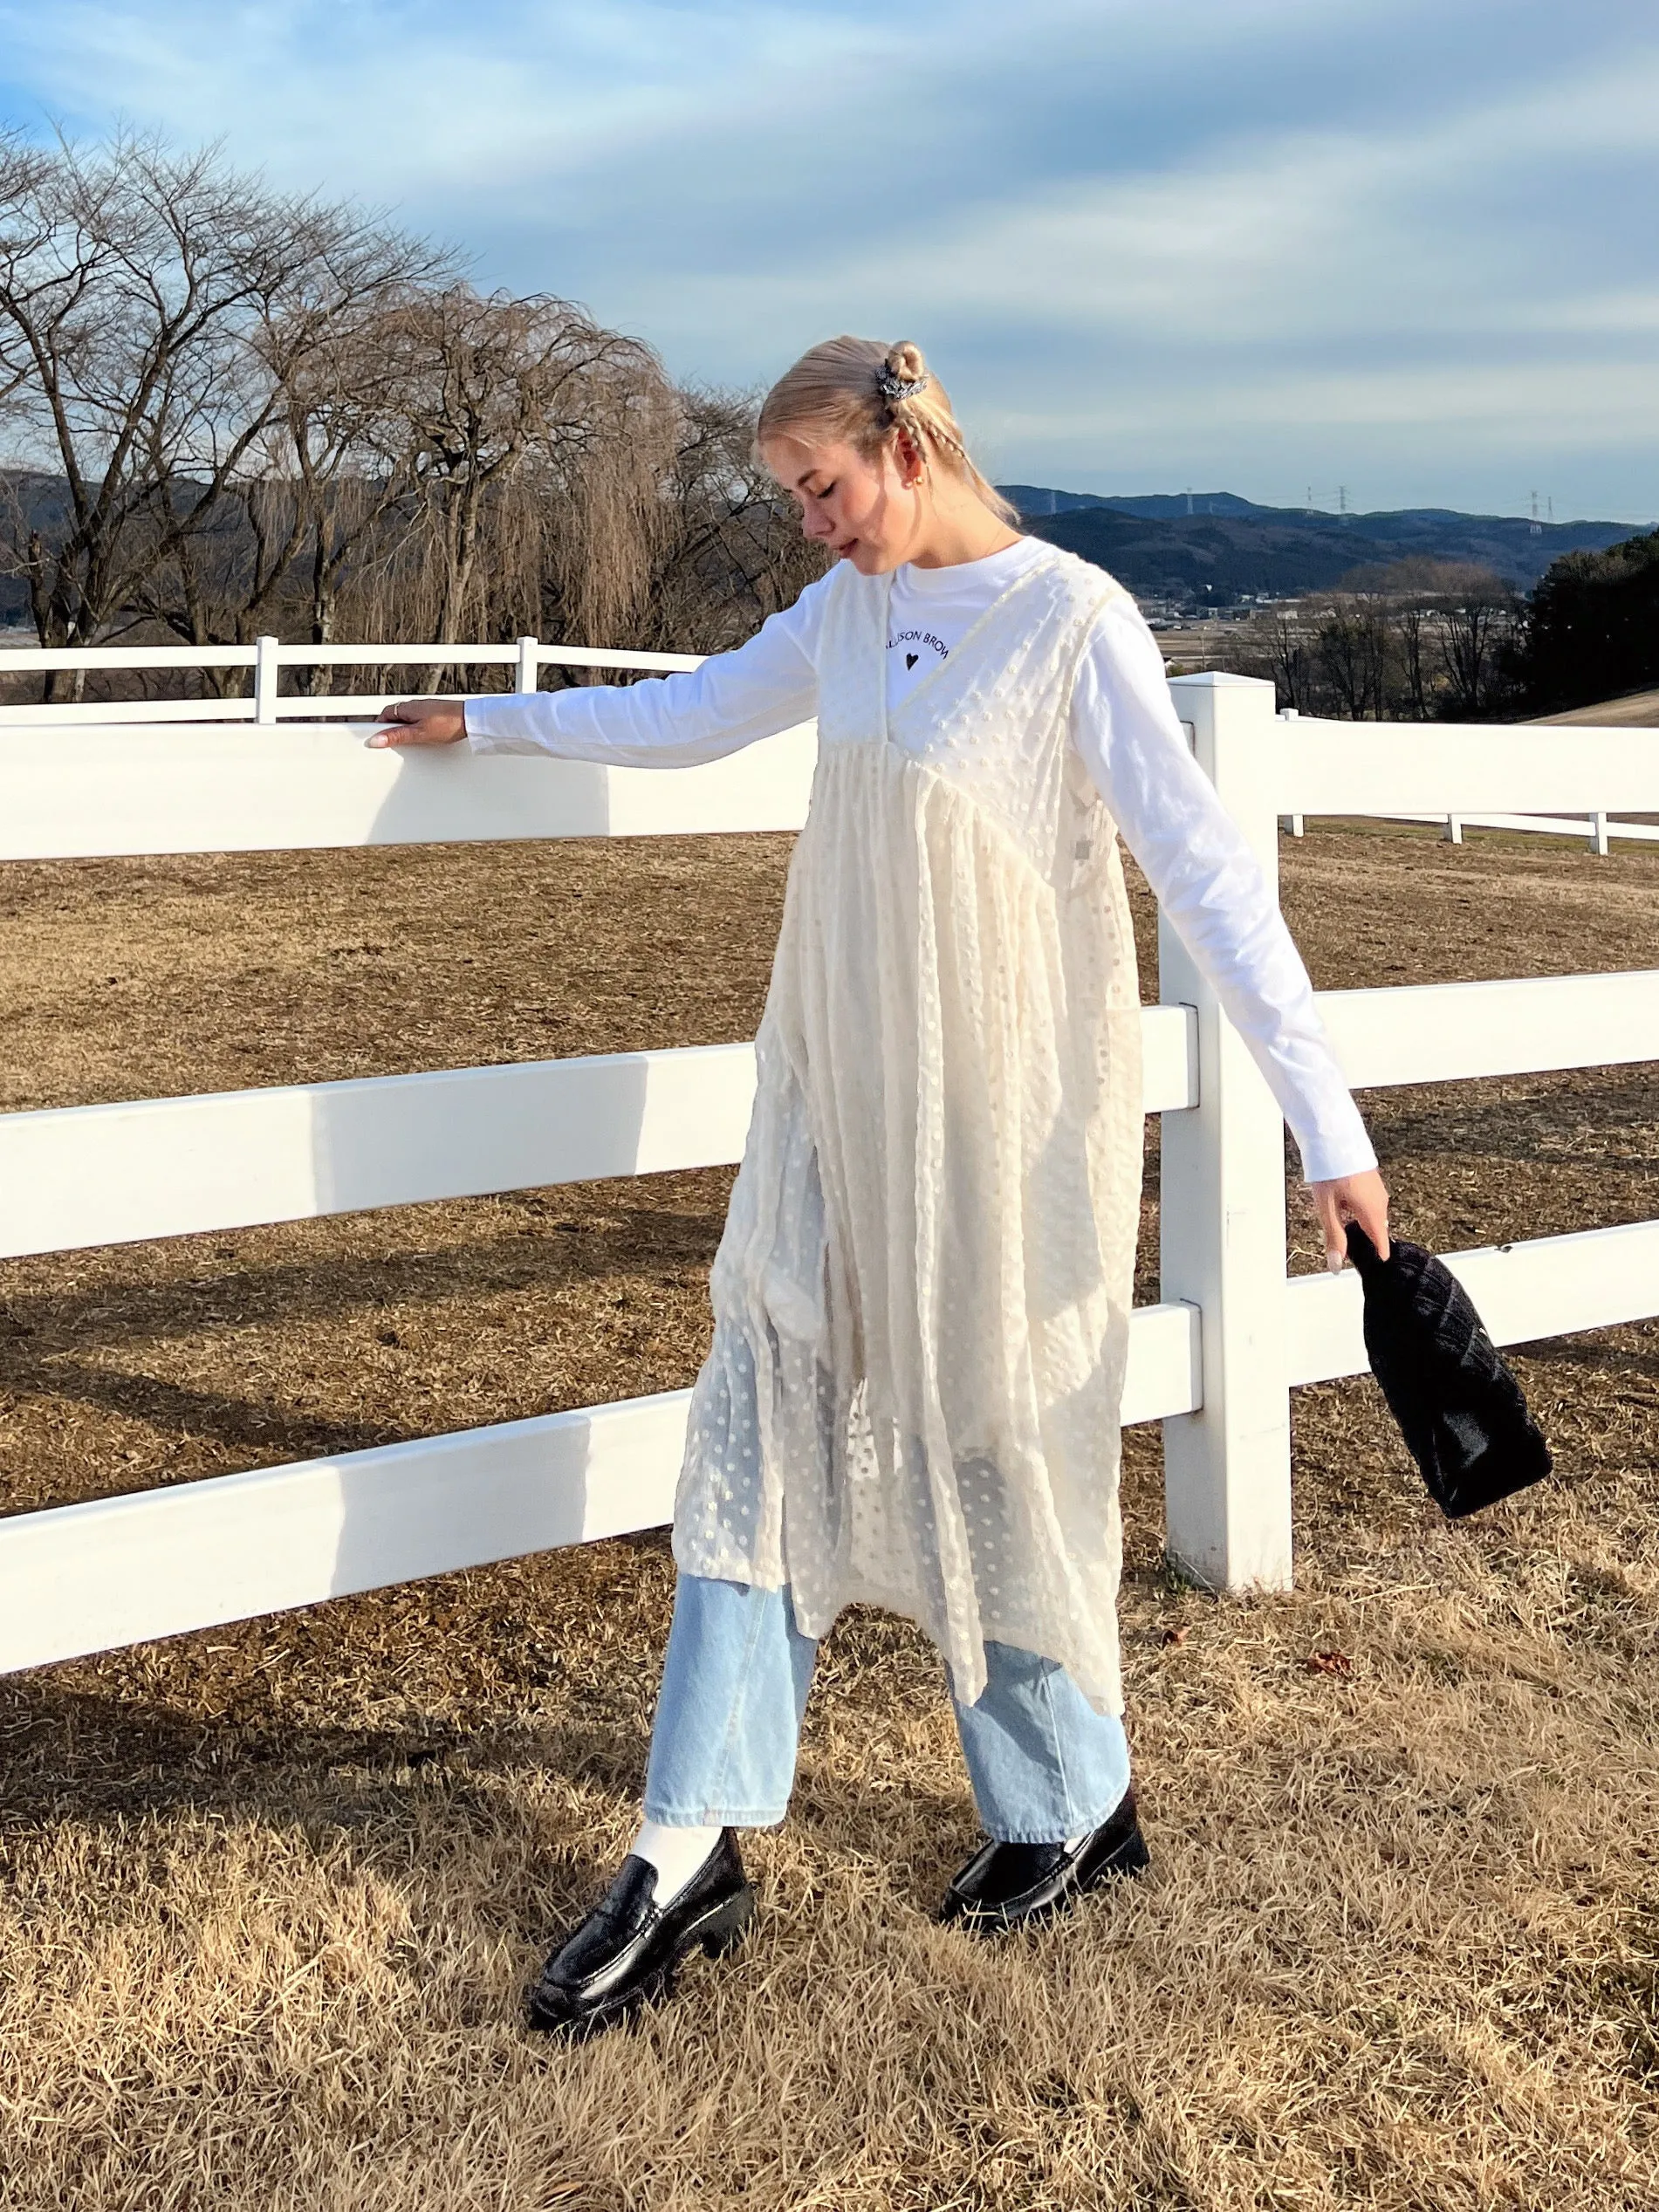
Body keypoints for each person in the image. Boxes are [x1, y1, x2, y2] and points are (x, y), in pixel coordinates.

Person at [370, 336, 1390, 2040]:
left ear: (903, 447)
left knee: (989, 1436)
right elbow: (689, 712)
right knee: (754, 1414)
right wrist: (496, 719)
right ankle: (683, 1845)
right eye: (786, 500)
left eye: (820, 490)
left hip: (1003, 1131)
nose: (808, 528)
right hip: (828, 1111)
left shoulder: (1070, 620)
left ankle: (1068, 1802)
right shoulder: (839, 620)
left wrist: (1326, 1125)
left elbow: (1207, 883)